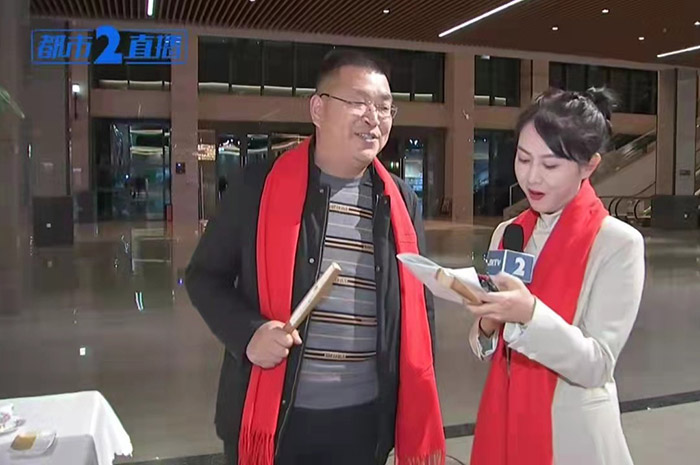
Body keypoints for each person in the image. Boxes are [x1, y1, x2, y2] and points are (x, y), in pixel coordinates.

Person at [186, 49, 445, 465]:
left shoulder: (399, 200)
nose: (374, 118)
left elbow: (419, 303)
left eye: (384, 107)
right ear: (318, 109)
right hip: (279, 418)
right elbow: (204, 276)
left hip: (366, 420)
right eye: (358, 102)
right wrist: (249, 334)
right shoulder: (258, 187)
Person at [465, 88, 645, 465]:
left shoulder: (617, 244)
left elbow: (596, 364)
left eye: (550, 165)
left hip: (571, 437)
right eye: (523, 158)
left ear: (589, 166)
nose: (532, 177)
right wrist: (486, 326)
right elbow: (493, 346)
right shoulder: (509, 233)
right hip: (505, 420)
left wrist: (529, 314)